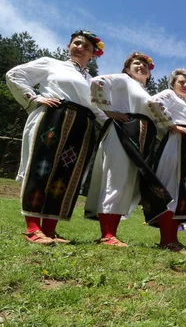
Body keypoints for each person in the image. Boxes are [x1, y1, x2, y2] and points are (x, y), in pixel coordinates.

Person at [6, 30, 106, 244]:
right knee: (41, 169)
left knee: (66, 176)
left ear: (93, 55)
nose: (80, 47)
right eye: (76, 43)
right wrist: (34, 98)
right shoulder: (50, 63)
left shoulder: (92, 81)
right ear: (69, 46)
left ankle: (50, 229)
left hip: (82, 126)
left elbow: (97, 109)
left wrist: (114, 123)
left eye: (86, 47)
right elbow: (15, 75)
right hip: (53, 119)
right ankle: (33, 229)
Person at [85, 52, 170, 247]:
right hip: (123, 130)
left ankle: (111, 232)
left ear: (149, 74)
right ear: (126, 69)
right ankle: (107, 234)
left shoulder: (146, 93)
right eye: (136, 63)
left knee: (127, 183)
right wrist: (107, 111)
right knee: (116, 178)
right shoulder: (123, 79)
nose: (141, 66)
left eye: (144, 65)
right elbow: (98, 82)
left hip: (142, 137)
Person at [147, 68, 186, 252]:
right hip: (177, 142)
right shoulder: (169, 94)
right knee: (171, 187)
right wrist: (172, 126)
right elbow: (154, 102)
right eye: (181, 82)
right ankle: (166, 239)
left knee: (181, 192)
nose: (185, 85)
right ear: (172, 84)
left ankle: (173, 238)